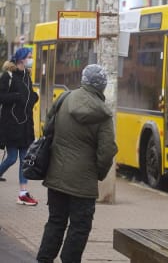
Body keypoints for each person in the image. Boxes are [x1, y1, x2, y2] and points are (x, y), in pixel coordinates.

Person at [36, 64, 118, 263]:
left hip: (56, 176)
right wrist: (97, 173)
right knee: (79, 227)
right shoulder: (104, 114)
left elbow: (48, 129)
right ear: (102, 86)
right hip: (83, 183)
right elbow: (106, 152)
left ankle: (43, 259)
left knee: (55, 221)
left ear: (83, 80)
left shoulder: (64, 98)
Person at [0, 47, 39, 206]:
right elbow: (1, 97)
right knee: (11, 158)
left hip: (25, 124)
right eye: (29, 56)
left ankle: (23, 193)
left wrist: (34, 97)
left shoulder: (27, 75)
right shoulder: (8, 75)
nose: (31, 58)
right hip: (11, 124)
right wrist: (16, 97)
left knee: (25, 159)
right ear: (21, 58)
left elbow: (28, 95)